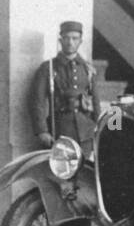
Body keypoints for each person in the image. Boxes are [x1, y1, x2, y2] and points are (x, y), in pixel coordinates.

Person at [30, 20, 100, 148]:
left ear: (80, 41)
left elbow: (95, 102)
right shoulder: (48, 68)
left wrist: (99, 128)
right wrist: (42, 131)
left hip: (85, 132)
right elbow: (37, 102)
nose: (70, 42)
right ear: (60, 40)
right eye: (66, 38)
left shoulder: (88, 69)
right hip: (58, 129)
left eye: (75, 38)